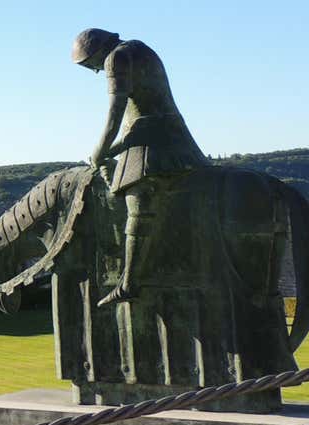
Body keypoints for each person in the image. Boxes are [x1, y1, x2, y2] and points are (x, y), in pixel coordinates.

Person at [71, 28, 208, 306]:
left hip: (159, 143)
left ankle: (129, 283)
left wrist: (98, 152)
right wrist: (109, 152)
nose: (94, 71)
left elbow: (115, 114)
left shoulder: (116, 58)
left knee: (138, 201)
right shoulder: (137, 48)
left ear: (97, 51)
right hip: (157, 133)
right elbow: (138, 122)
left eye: (89, 65)